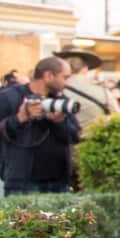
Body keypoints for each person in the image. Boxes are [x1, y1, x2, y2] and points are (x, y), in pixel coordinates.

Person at [0, 56, 81, 195]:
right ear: (49, 75)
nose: (66, 83)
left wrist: (59, 121)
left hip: (59, 183)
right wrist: (20, 118)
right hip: (22, 183)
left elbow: (74, 137)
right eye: (65, 77)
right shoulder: (9, 97)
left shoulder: (61, 101)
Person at [56, 47, 116, 126]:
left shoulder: (55, 91)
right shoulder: (103, 92)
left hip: (65, 137)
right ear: (85, 69)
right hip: (94, 137)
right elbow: (116, 117)